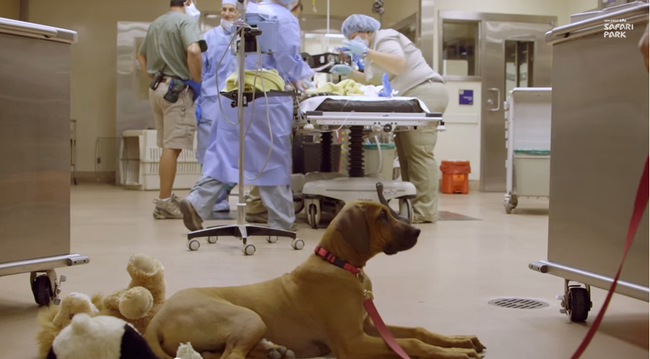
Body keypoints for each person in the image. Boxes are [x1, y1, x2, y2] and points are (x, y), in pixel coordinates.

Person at [180, 0, 313, 232]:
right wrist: (306, 75)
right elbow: (287, 58)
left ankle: (197, 203)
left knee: (226, 153)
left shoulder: (250, 11)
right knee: (271, 158)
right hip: (265, 96)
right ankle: (281, 223)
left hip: (235, 90)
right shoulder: (283, 17)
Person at [330, 14, 449, 224]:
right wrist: (350, 72)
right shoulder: (374, 52)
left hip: (425, 91)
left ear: (366, 31)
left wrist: (366, 51)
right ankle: (412, 207)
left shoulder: (385, 37)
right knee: (405, 153)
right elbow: (373, 80)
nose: (352, 41)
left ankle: (425, 211)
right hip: (411, 97)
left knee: (419, 152)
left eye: (354, 36)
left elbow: (399, 64)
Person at [137, 0, 207, 220]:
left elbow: (141, 56)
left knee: (167, 145)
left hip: (158, 88)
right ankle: (164, 203)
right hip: (177, 89)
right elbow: (194, 50)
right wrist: (197, 80)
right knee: (173, 147)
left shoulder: (157, 23)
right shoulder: (186, 21)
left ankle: (165, 197)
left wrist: (155, 77)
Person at [195, 0, 239, 214]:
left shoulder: (246, 37)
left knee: (236, 153)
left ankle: (222, 195)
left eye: (231, 10)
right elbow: (200, 71)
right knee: (207, 152)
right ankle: (206, 199)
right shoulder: (209, 38)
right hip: (211, 101)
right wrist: (197, 101)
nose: (227, 13)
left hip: (238, 103)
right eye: (224, 10)